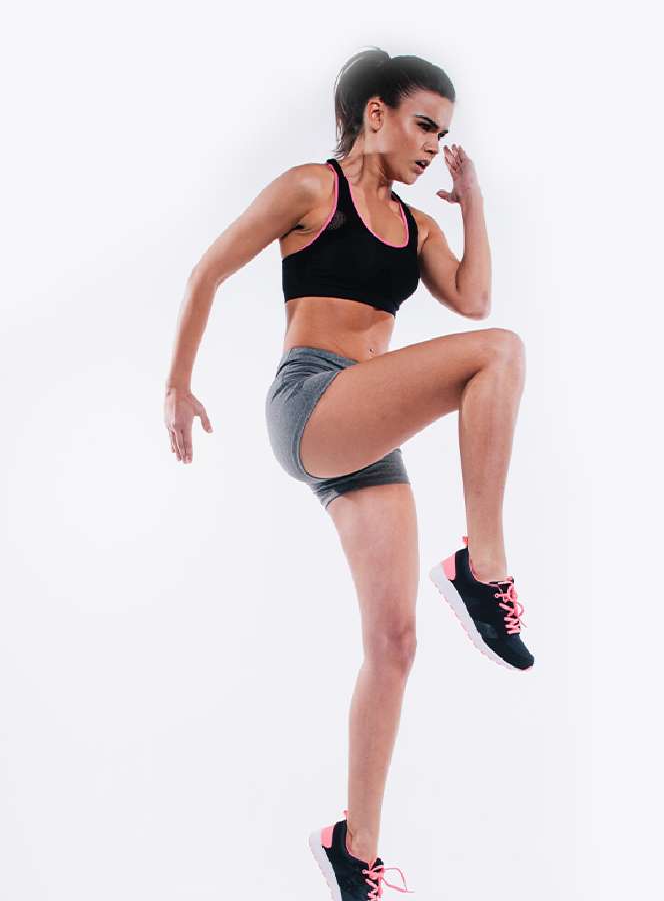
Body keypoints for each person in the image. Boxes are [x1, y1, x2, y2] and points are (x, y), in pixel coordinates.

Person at [164, 47, 533, 899]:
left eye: (444, 134)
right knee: (500, 354)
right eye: (424, 125)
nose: (434, 146)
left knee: (395, 642)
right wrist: (177, 385)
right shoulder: (311, 189)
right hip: (310, 401)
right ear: (375, 114)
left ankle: (353, 846)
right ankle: (483, 568)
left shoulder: (419, 227)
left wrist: (474, 203)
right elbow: (206, 272)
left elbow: (472, 298)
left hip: (366, 432)